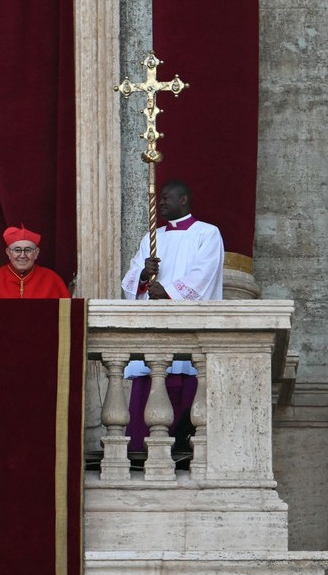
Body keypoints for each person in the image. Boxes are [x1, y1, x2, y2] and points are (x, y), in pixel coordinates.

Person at [119, 179, 224, 455]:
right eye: (160, 198)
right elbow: (130, 279)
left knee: (187, 405)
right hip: (155, 330)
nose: (161, 202)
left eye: (166, 198)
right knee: (148, 402)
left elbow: (203, 276)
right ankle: (142, 455)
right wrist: (143, 276)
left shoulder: (207, 234)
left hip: (189, 329)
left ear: (184, 200)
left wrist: (168, 292)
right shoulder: (152, 239)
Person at [0, 225, 70, 299]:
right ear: (8, 253)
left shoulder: (52, 280)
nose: (23, 255)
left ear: (36, 253)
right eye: (17, 250)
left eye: (28, 250)